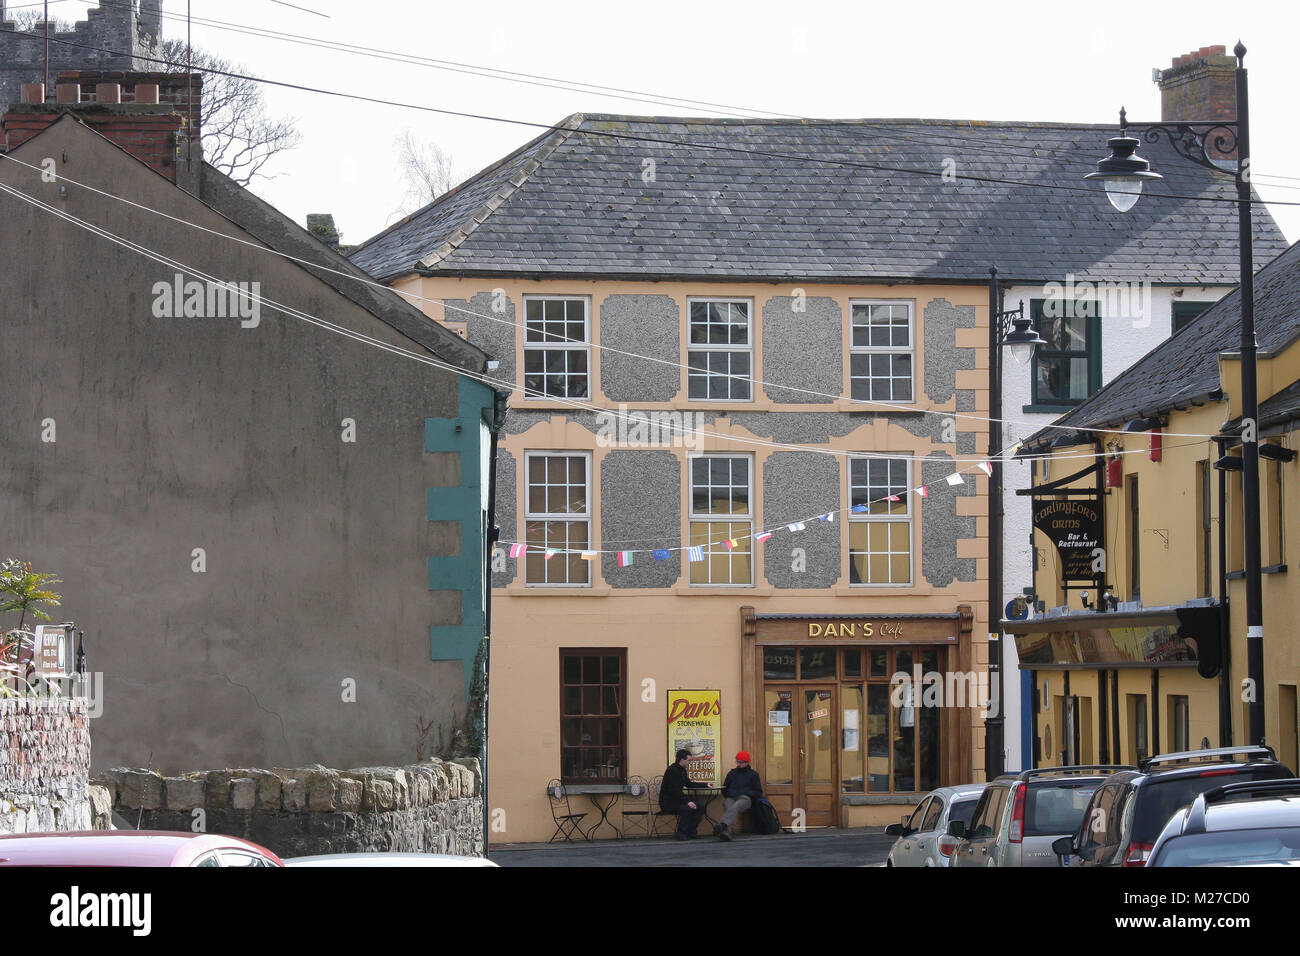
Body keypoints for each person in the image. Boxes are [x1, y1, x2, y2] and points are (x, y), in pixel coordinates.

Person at [659, 748, 706, 840]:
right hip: (668, 803)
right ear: (682, 760)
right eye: (689, 760)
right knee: (687, 808)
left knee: (701, 806)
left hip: (679, 801)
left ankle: (691, 831)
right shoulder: (672, 770)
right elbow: (674, 790)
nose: (690, 763)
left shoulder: (682, 770)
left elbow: (689, 784)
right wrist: (687, 802)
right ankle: (681, 833)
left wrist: (706, 785)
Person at [716, 751, 763, 841]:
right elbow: (725, 787)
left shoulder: (753, 774)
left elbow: (758, 792)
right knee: (728, 804)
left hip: (745, 798)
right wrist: (728, 794)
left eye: (741, 762)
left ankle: (722, 824)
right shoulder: (732, 773)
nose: (739, 764)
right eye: (737, 761)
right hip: (731, 797)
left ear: (747, 762)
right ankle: (726, 832)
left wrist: (747, 793)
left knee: (737, 805)